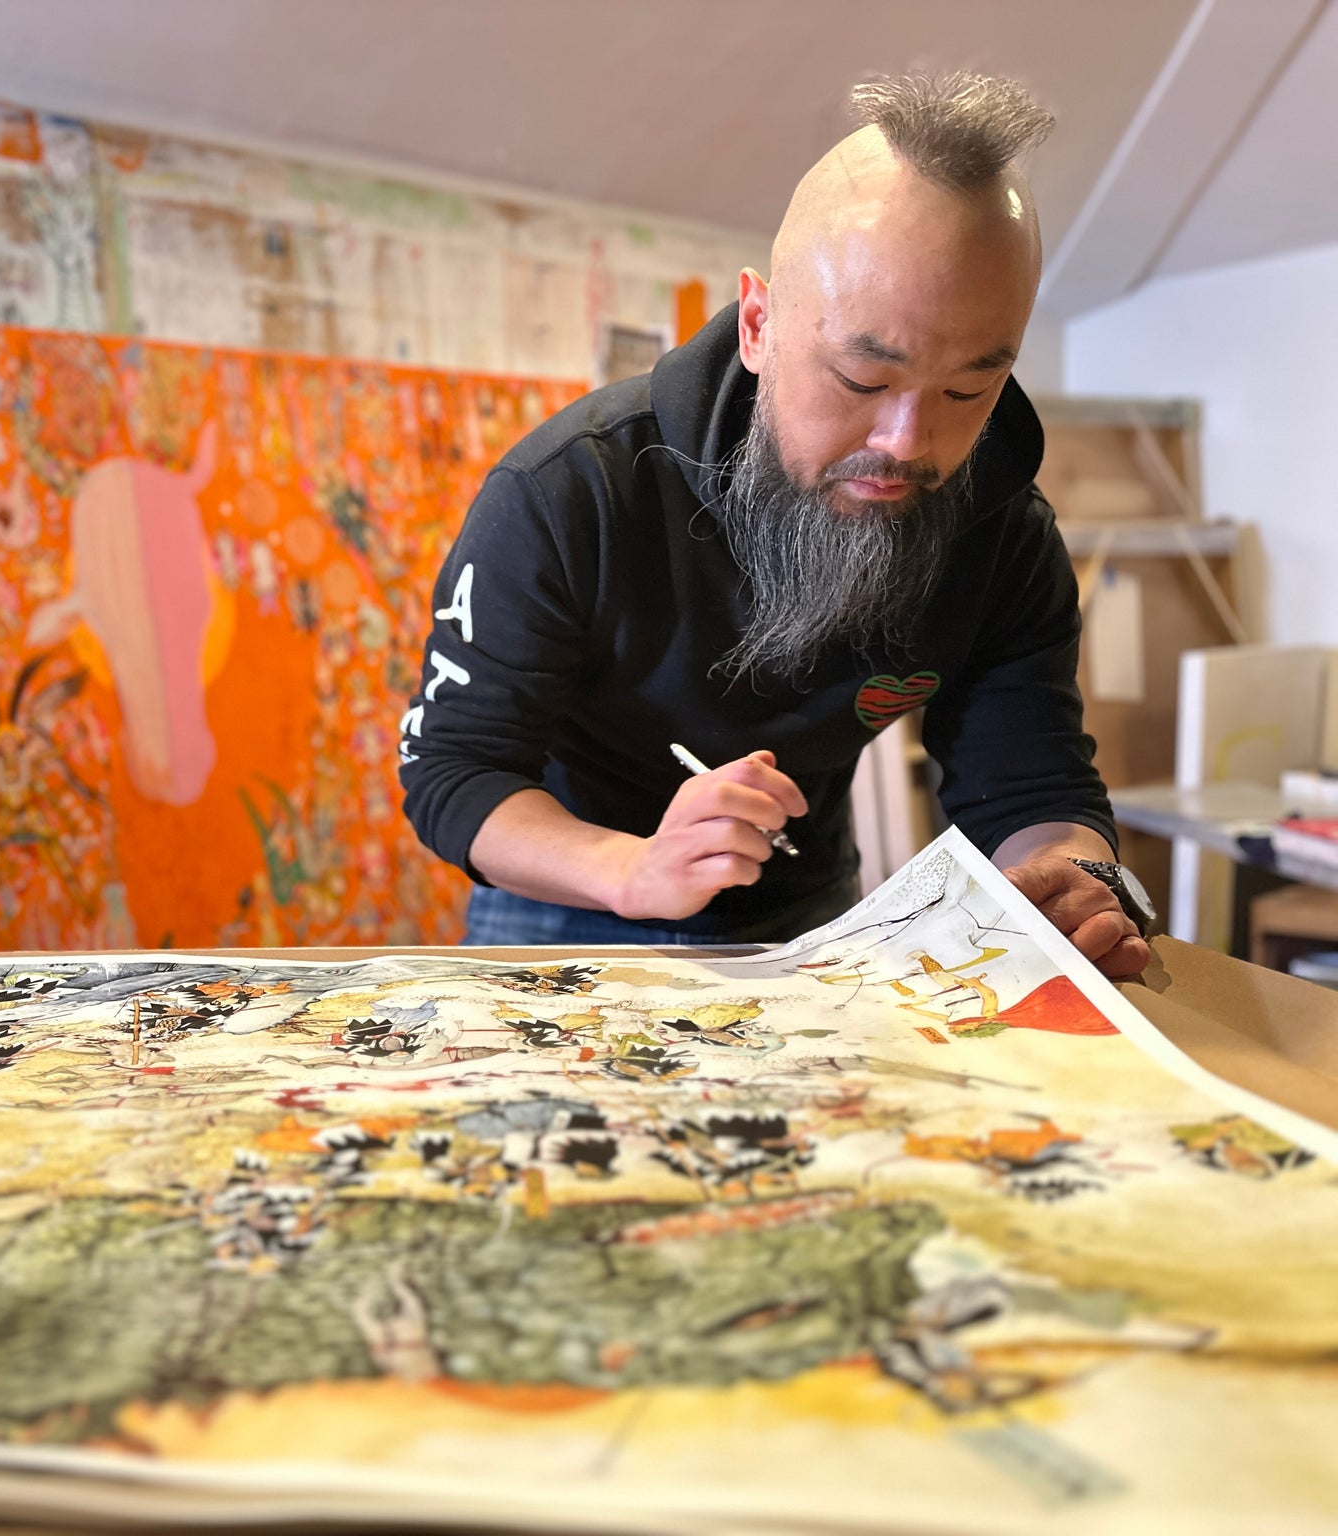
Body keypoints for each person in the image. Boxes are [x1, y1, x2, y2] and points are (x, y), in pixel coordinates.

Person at [397, 71, 1153, 979]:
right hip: (569, 893)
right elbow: (455, 773)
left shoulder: (1001, 529)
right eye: (862, 382)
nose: (906, 442)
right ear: (759, 324)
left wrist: (1072, 881)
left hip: (809, 905)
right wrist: (634, 869)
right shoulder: (571, 489)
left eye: (968, 391)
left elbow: (1034, 781)